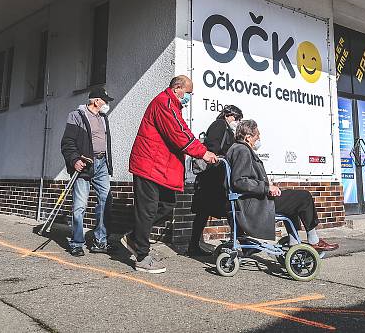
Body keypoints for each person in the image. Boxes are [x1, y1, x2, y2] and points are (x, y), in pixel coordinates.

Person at [125, 75, 218, 273]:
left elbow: (182, 130)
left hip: (160, 166)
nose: (189, 97)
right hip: (149, 164)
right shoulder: (164, 103)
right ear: (178, 88)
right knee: (148, 209)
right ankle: (141, 255)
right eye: (189, 93)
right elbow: (178, 133)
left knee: (167, 205)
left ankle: (134, 237)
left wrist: (199, 149)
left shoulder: (173, 106)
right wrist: (203, 153)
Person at [225, 119, 338, 252]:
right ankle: (314, 240)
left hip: (252, 200)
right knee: (304, 197)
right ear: (248, 137)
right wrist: (267, 188)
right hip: (253, 204)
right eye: (257, 135)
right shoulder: (242, 150)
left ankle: (294, 244)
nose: (259, 138)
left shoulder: (238, 148)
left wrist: (267, 185)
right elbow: (240, 181)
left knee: (293, 202)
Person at [60, 87, 115, 256]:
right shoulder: (76, 116)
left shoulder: (103, 118)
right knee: (80, 205)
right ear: (96, 101)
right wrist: (75, 160)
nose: (106, 104)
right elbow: (67, 142)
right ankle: (77, 242)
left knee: (105, 201)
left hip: (102, 164)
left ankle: (101, 241)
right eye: (105, 101)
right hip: (85, 164)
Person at [188, 105, 243, 257]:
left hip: (215, 177)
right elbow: (213, 146)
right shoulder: (219, 125)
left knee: (206, 211)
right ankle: (239, 242)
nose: (237, 122)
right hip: (211, 177)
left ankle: (194, 245)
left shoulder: (227, 128)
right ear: (227, 115)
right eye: (236, 118)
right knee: (220, 209)